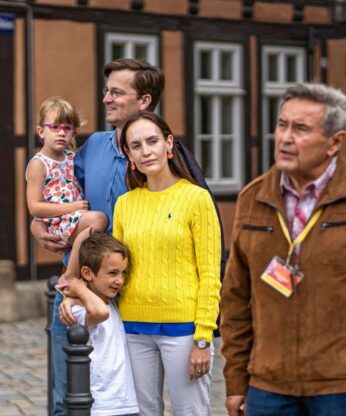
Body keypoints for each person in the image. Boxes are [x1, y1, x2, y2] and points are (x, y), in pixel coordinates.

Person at [33, 58, 225, 415]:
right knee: (77, 398)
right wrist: (36, 224)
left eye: (116, 92)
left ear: (145, 101)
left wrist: (205, 332)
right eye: (105, 90)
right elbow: (54, 191)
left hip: (154, 310)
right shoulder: (92, 151)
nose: (106, 98)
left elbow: (209, 259)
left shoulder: (185, 182)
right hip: (91, 293)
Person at [220, 83, 346, 416]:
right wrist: (236, 381)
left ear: (335, 141)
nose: (285, 138)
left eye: (301, 129)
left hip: (343, 386)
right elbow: (235, 298)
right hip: (268, 385)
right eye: (282, 125)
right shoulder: (252, 198)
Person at [96, 111, 221, 415]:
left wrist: (203, 338)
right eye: (136, 145)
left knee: (189, 412)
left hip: (184, 330)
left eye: (152, 141)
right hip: (134, 328)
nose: (146, 151)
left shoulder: (196, 199)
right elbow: (116, 268)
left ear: (168, 144)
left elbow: (210, 274)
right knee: (143, 412)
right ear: (129, 154)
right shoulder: (125, 204)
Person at [26, 97, 107, 283]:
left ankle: (73, 269)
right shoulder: (39, 164)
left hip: (75, 219)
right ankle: (70, 275)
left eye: (67, 128)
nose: (61, 133)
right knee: (98, 219)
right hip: (59, 222)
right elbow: (34, 207)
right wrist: (71, 208)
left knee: (95, 223)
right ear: (41, 131)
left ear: (74, 132)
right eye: (54, 127)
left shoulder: (73, 157)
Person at [66, 232, 139, 416]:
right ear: (87, 273)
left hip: (125, 401)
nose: (120, 281)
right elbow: (100, 313)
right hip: (101, 404)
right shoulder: (77, 310)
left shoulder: (111, 300)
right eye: (113, 273)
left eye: (124, 273)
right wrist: (79, 289)